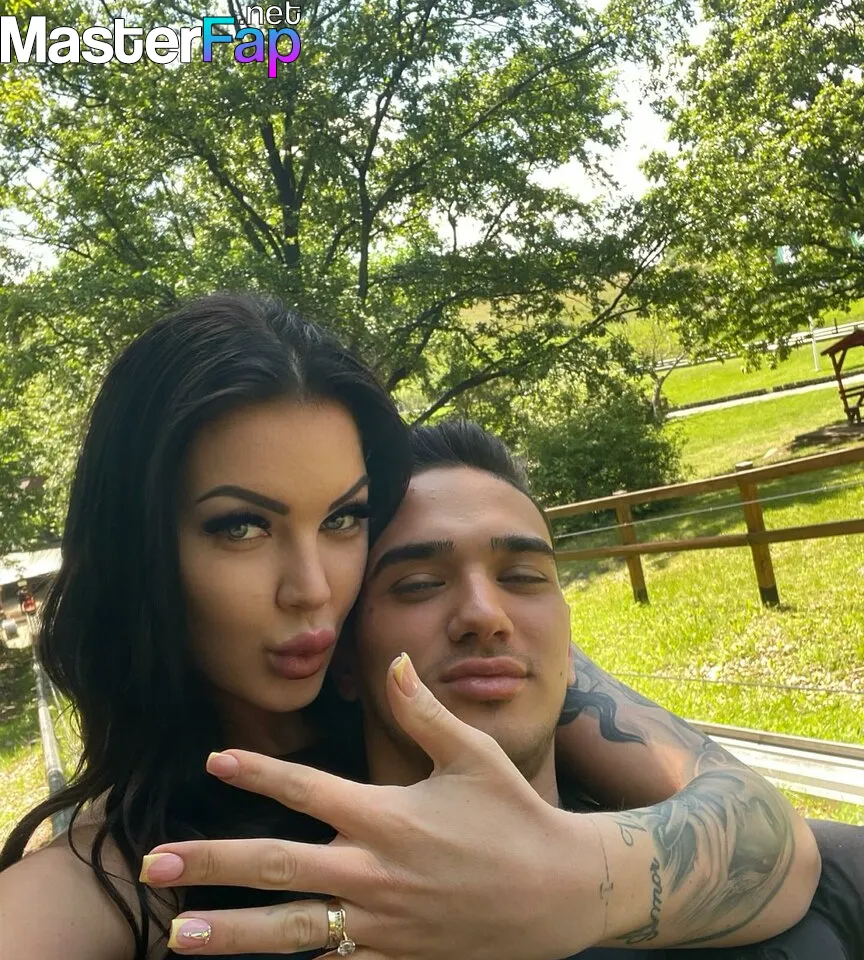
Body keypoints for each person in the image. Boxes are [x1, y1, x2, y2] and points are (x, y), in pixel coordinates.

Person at [0, 296, 818, 960]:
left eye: (344, 518)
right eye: (241, 527)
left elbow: (769, 831)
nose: (314, 590)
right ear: (137, 549)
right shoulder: (130, 862)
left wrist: (571, 887)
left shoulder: (432, 665)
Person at [137, 423, 830, 958]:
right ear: (341, 658)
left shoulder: (813, 890)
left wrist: (564, 882)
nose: (484, 614)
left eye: (524, 577)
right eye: (417, 584)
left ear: (570, 643)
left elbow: (784, 841)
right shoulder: (229, 915)